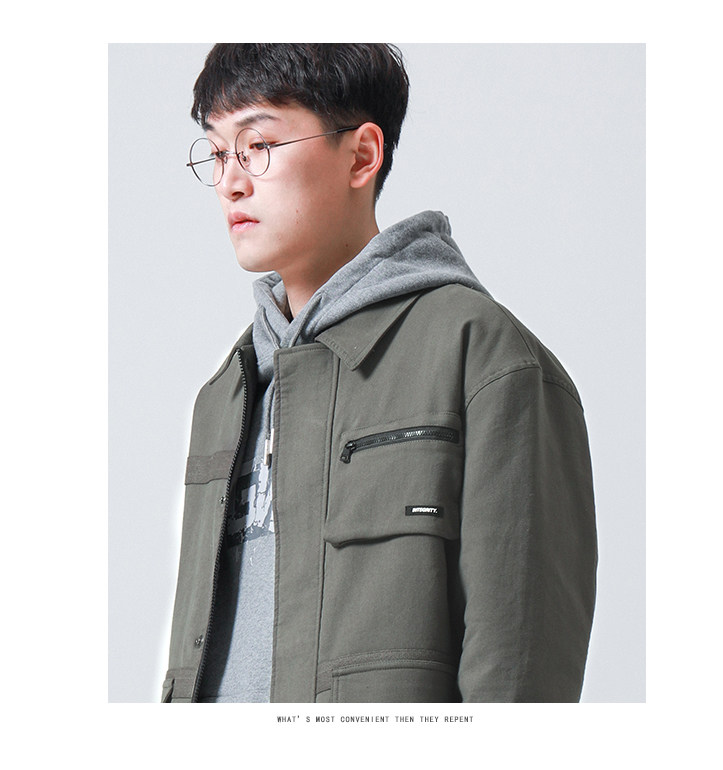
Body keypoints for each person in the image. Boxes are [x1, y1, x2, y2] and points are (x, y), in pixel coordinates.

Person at [161, 43, 597, 704]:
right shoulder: (226, 393)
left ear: (362, 155)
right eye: (218, 153)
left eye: (258, 146)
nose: (231, 182)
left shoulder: (482, 357)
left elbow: (519, 677)